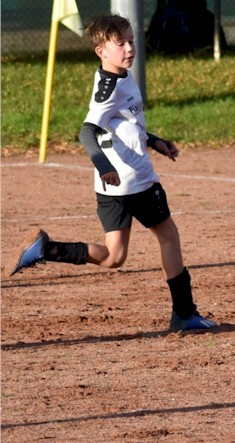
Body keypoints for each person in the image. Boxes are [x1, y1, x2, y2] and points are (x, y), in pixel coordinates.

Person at [6, 14, 217, 332]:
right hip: (133, 180)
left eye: (131, 40)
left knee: (114, 257)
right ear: (101, 51)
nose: (130, 48)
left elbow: (124, 127)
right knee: (169, 237)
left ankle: (47, 249)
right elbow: (87, 132)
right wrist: (105, 167)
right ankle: (185, 314)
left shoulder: (117, 76)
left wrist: (155, 141)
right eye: (121, 44)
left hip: (112, 188)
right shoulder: (110, 89)